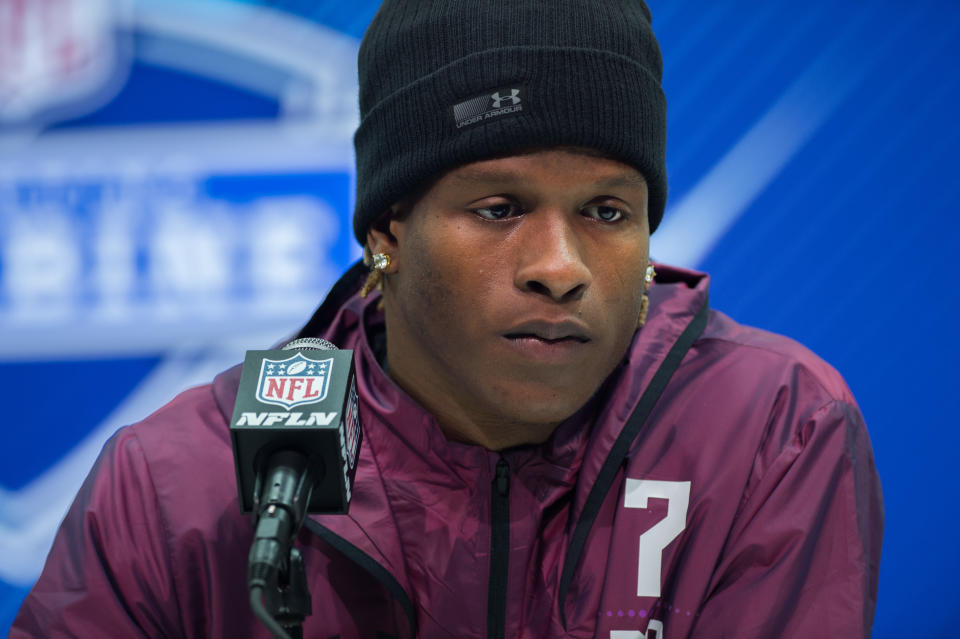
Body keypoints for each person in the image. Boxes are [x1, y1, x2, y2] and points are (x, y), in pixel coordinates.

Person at [12, 1, 883, 637]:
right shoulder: (180, 483)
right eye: (500, 207)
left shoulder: (772, 429)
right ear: (388, 229)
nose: (560, 268)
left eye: (607, 211)